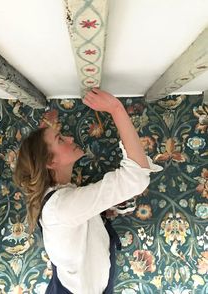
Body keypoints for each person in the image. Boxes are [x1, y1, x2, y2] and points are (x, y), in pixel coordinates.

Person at [13, 88, 162, 294]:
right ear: (50, 161)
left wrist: (116, 109)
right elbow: (135, 177)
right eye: (60, 139)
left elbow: (135, 177)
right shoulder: (61, 205)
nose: (71, 139)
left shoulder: (61, 202)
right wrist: (115, 109)